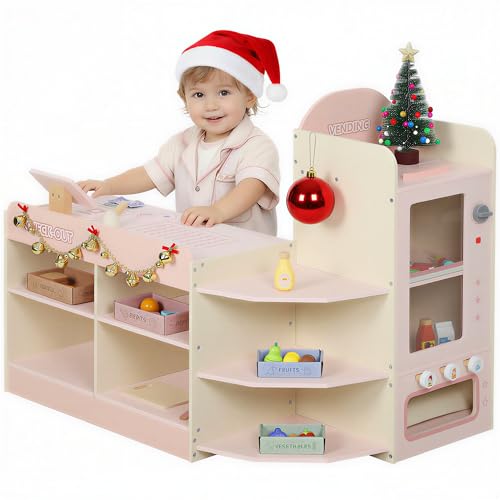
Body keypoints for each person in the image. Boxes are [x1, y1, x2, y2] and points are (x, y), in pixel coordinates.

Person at [78, 30, 286, 235]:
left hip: (245, 247)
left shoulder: (257, 145)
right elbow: (149, 174)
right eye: (198, 95)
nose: (210, 105)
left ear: (250, 96)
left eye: (224, 92)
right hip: (196, 243)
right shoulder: (182, 142)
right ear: (185, 99)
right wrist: (109, 185)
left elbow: (252, 187)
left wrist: (218, 211)